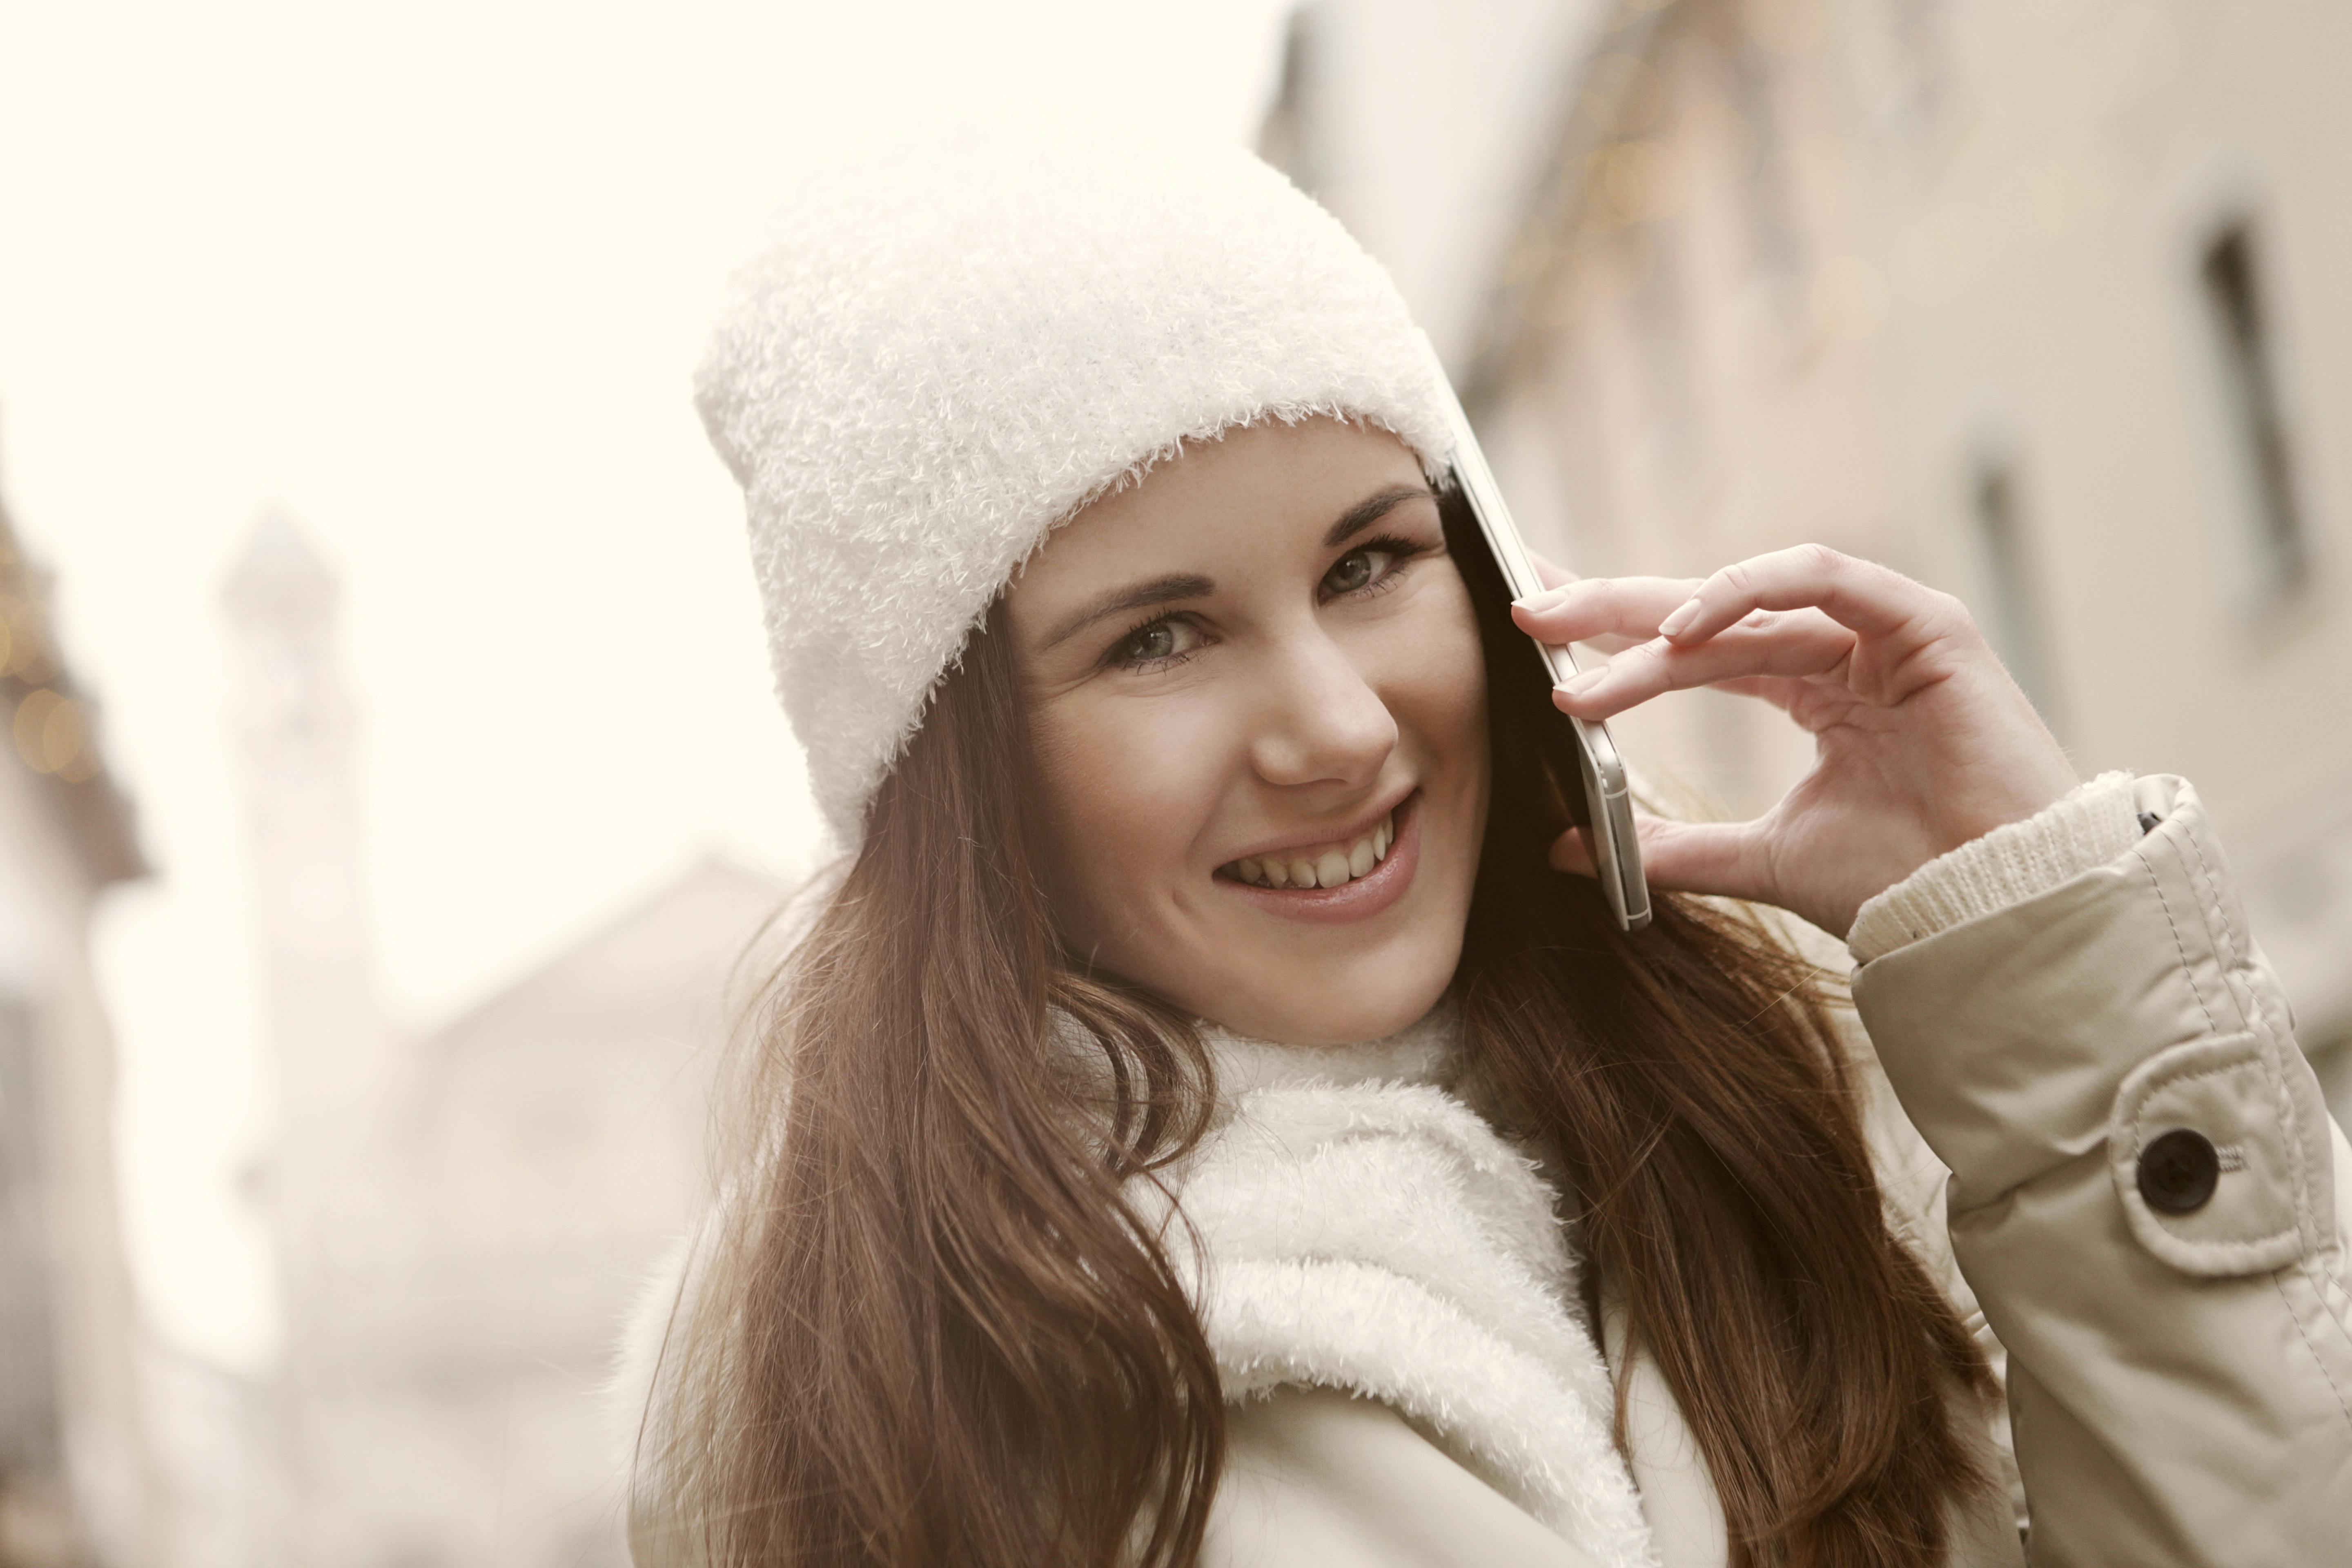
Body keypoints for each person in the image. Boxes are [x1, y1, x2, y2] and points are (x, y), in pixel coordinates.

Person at [612, 140, 2352, 1568]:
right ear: (958, 780)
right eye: (1159, 639)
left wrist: (2048, 955)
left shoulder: (1772, 1098)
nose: (1343, 729)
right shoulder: (866, 1388)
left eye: (1370, 562)